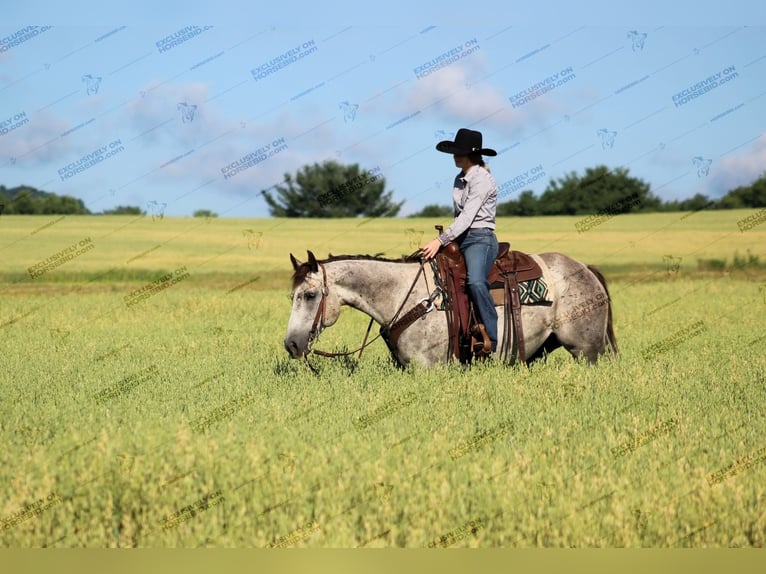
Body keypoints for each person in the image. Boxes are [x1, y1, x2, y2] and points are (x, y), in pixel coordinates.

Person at [420, 128, 500, 353]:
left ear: (472, 155)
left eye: (460, 152)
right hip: (460, 236)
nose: (456, 156)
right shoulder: (459, 178)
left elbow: (467, 217)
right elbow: (459, 218)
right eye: (455, 152)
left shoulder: (483, 179)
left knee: (475, 282)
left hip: (479, 238)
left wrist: (439, 240)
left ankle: (492, 341)